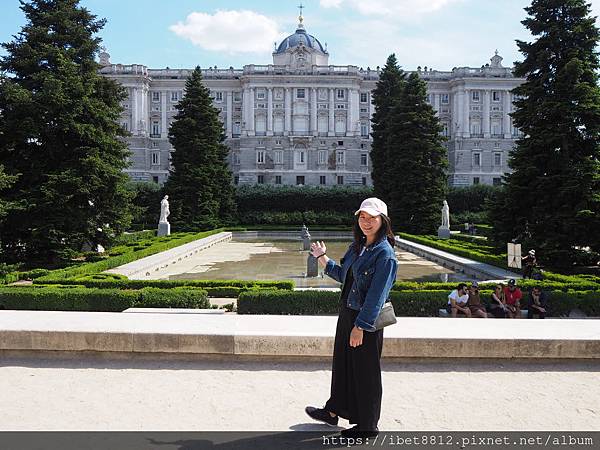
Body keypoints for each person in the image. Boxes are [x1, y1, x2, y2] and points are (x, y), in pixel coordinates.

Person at [304, 197, 398, 439]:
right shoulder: (357, 247)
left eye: (372, 218)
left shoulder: (385, 255)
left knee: (366, 373)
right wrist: (322, 257)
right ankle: (334, 410)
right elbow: (343, 275)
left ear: (383, 221)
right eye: (362, 217)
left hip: (365, 320)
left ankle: (368, 426)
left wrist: (361, 326)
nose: (366, 222)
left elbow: (377, 296)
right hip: (347, 313)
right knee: (343, 364)